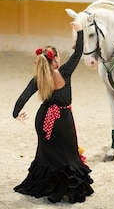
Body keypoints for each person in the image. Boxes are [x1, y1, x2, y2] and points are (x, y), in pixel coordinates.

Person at [12, 21, 94, 204]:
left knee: (48, 154)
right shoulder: (64, 72)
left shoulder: (39, 78)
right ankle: (60, 188)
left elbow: (23, 97)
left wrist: (16, 114)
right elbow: (78, 52)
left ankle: (48, 185)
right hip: (61, 120)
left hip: (43, 119)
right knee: (67, 154)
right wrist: (80, 31)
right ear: (55, 58)